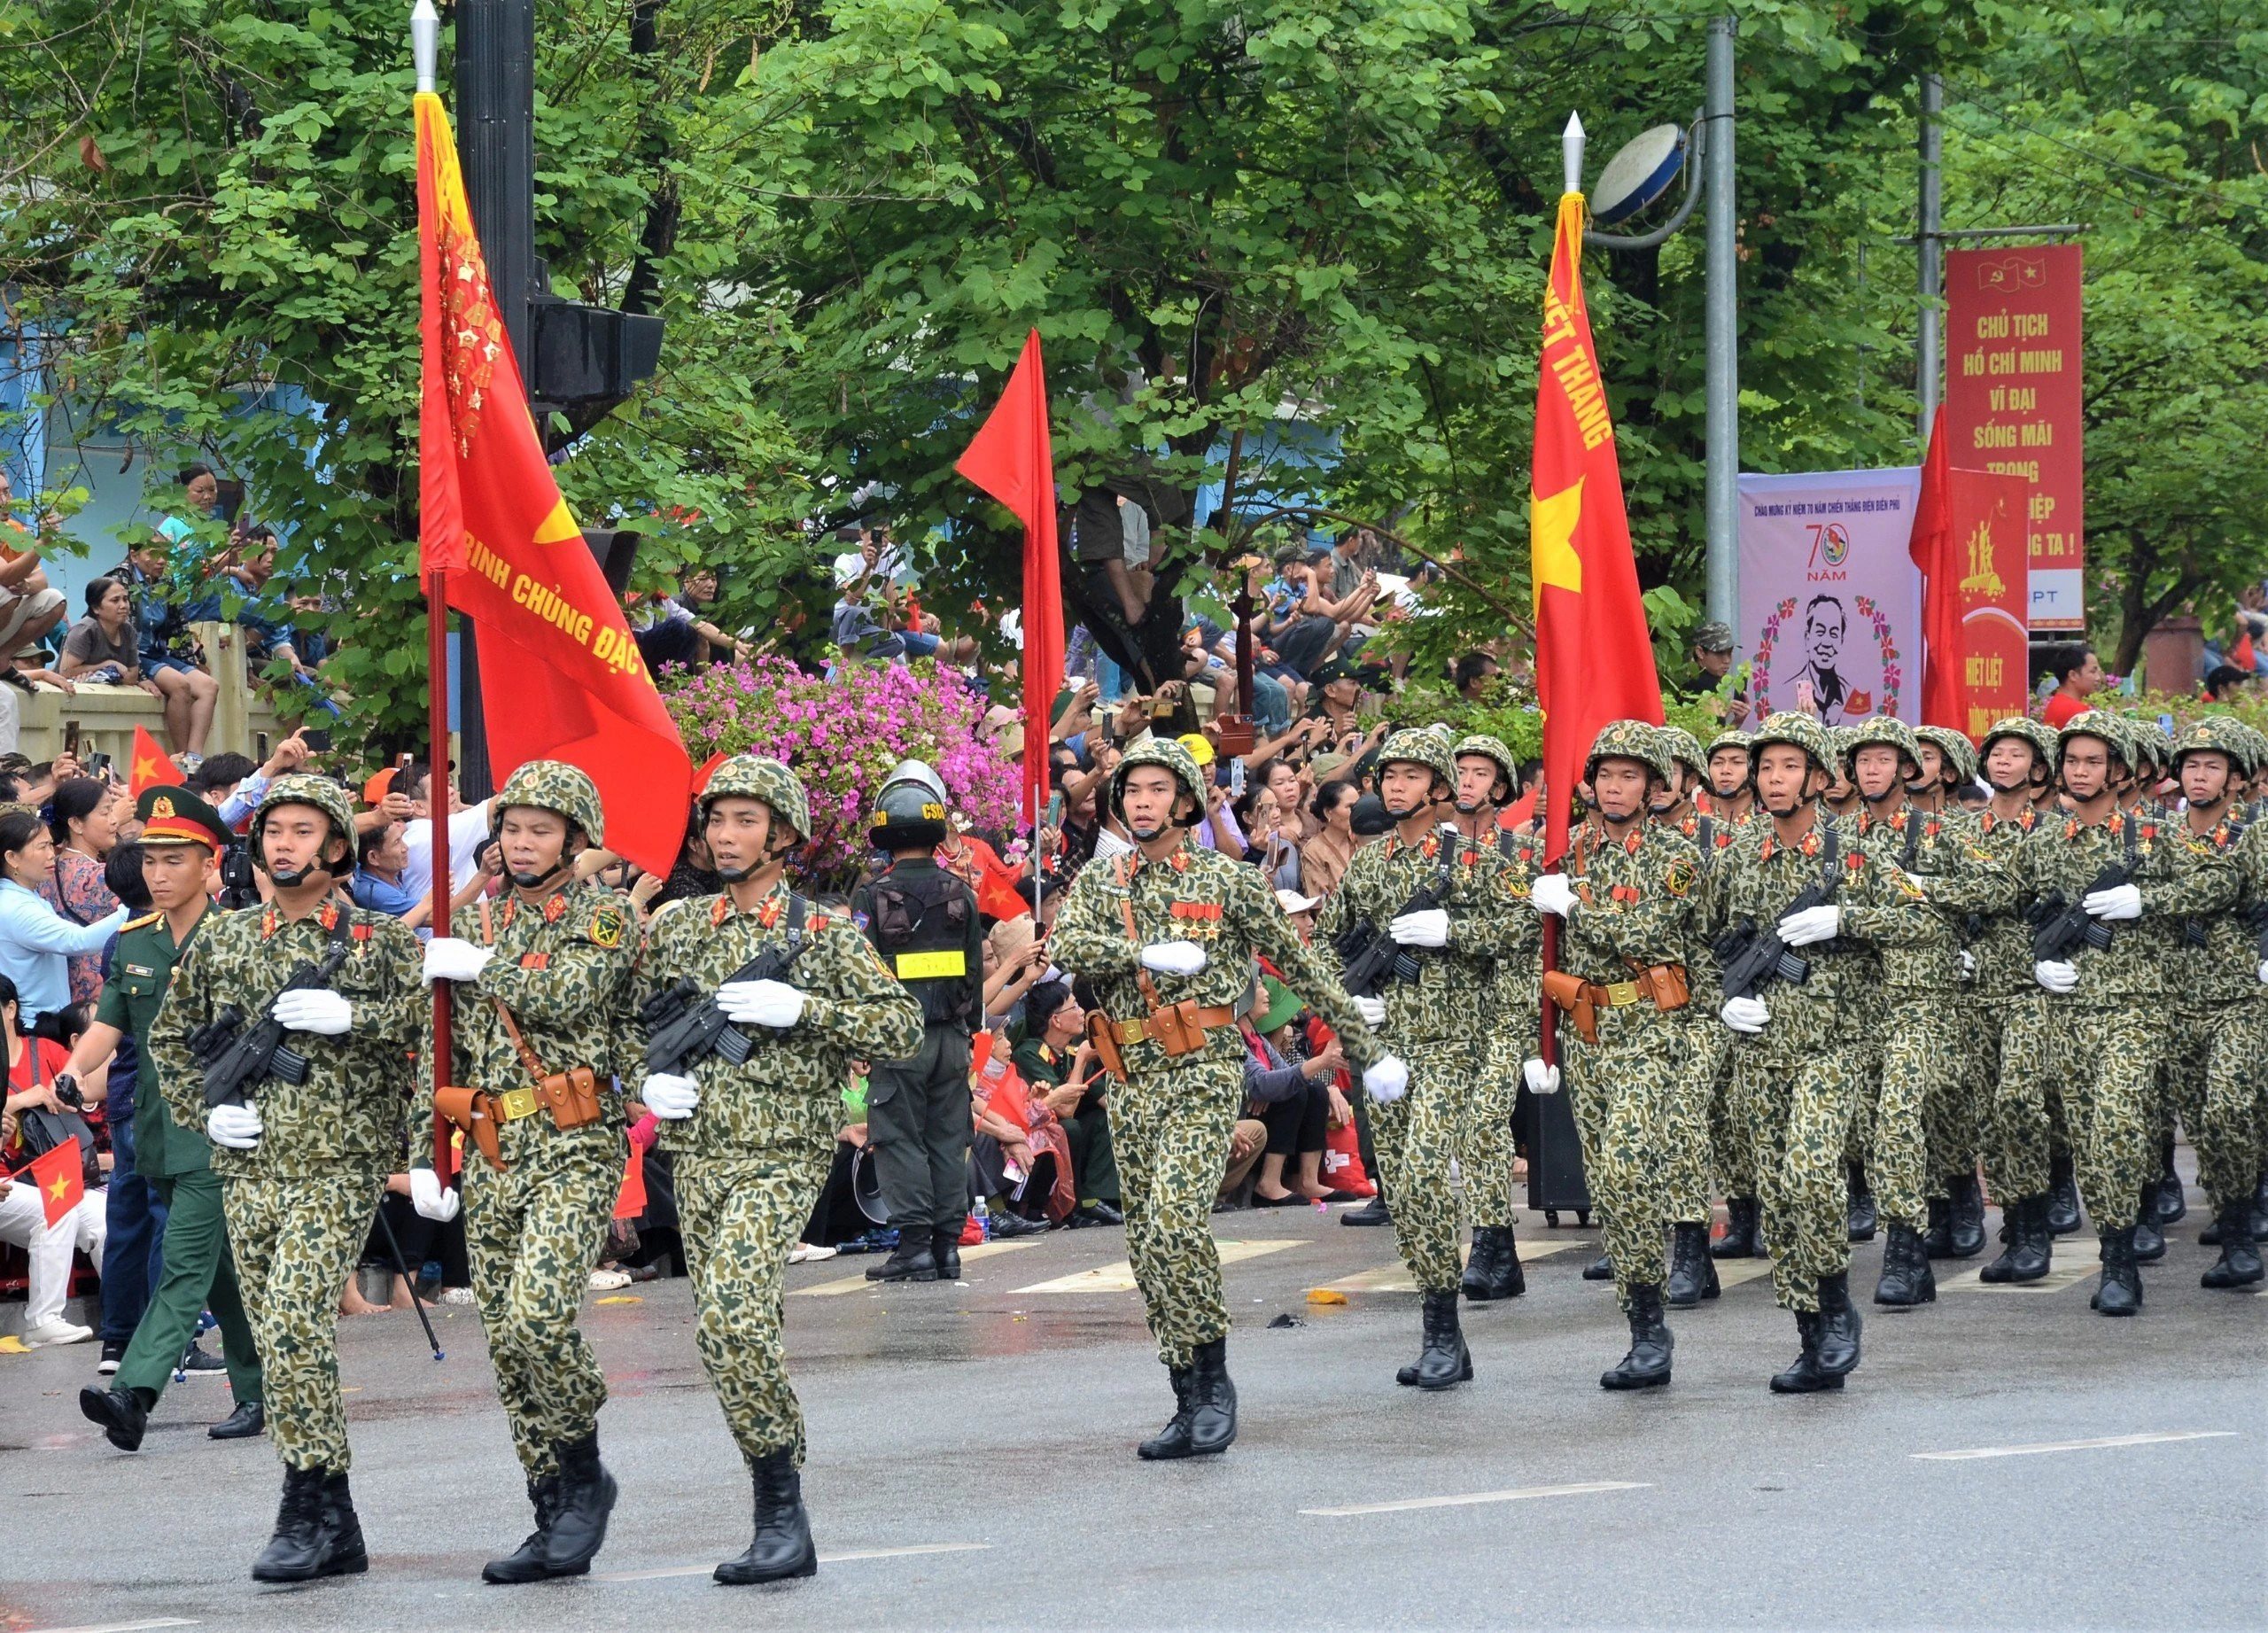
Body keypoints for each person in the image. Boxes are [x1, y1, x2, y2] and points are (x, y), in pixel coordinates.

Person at [1051, 737, 1395, 1458]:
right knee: (1148, 1245)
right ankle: (1183, 1387)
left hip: (1204, 1068)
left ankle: (1213, 1382)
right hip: (1131, 1074)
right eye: (1132, 790)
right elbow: (1073, 946)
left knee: (1177, 1221)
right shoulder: (1101, 880)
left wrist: (1369, 1050)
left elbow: (1300, 960)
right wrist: (1137, 953)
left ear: (1184, 802)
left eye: (1157, 790)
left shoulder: (1229, 881)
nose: (1142, 801)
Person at [633, 757, 923, 1585]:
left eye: (746, 821)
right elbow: (624, 1017)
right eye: (717, 821)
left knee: (730, 1315)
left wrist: (810, 1010)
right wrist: (644, 1079)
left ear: (785, 834)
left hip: (784, 1153)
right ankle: (775, 1486)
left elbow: (903, 1026)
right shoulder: (679, 927)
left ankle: (780, 1510)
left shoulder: (822, 934)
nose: (726, 837)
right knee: (726, 1331)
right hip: (697, 1155)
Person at [148, 774, 425, 1582]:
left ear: (336, 846)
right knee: (277, 1339)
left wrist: (359, 1018)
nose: (283, 844)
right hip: (249, 1165)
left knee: (299, 1318)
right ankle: (336, 1517)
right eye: (274, 830)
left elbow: (431, 1031)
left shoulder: (377, 939)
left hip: (338, 1166)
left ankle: (302, 1501)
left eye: (303, 831)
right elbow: (170, 1040)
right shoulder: (228, 940)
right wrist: (207, 1113)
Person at [411, 761, 639, 1582]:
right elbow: (442, 1050)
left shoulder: (605, 915)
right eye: (511, 827)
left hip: (574, 1140)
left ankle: (584, 1472)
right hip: (491, 1143)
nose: (522, 841)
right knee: (507, 1344)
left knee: (540, 1317)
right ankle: (551, 1508)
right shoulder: (475, 922)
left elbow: (575, 992)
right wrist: (423, 1151)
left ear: (575, 839)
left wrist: (485, 967)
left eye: (541, 829)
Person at [1704, 712, 1952, 1392]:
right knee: (1782, 1197)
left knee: (1813, 1177)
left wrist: (1850, 917)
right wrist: (1723, 999)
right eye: (1765, 767)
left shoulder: (1857, 856)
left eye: (1788, 767)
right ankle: (1811, 1331)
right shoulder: (1734, 859)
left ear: (1818, 778)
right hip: (1760, 1051)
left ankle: (1838, 1306)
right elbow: (1704, 944)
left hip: (1835, 1050)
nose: (1773, 779)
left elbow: (1926, 922)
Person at [2004, 714, 2236, 1315]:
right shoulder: (2041, 842)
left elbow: (2219, 883)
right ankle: (2113, 1242)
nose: (2080, 771)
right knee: (2088, 1137)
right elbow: (2012, 907)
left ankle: (2120, 1261)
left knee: (2113, 1121)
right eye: (2072, 761)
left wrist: (2149, 900)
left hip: (2137, 1011)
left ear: (2119, 770)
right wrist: (2035, 961)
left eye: (2093, 761)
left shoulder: (2152, 837)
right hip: (2068, 1013)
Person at [1314, 729, 1520, 1392]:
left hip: (1454, 1044)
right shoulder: (1370, 866)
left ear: (1437, 787)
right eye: (1388, 776)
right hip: (1387, 1051)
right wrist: (1351, 1004)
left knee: (1430, 1173)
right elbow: (1325, 939)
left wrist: (1456, 931)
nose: (1395, 786)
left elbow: (1524, 929)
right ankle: (1442, 1328)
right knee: (1403, 1188)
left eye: (1410, 775)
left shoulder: (1473, 858)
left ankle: (1441, 1324)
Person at [74, 787, 266, 1448]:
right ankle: (260, 1387)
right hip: (153, 1130)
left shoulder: (240, 940)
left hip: (222, 1134)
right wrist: (73, 1077)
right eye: (150, 860)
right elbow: (108, 1029)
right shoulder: (133, 942)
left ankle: (134, 1391)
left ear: (209, 864)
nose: (157, 874)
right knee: (221, 1274)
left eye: (173, 860)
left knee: (183, 1264)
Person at [1526, 723, 1705, 1388]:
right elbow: (1535, 950)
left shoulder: (1678, 856)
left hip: (1651, 1029)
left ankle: (1653, 1323)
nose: (1616, 786)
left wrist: (1576, 904)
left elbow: (1651, 928)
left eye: (1630, 776)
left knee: (1629, 1167)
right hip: (1586, 1029)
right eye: (1606, 775)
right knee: (1609, 1187)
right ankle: (1644, 1325)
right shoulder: (1563, 850)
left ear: (1655, 786)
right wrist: (1535, 1041)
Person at [851, 761, 983, 1283]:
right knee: (949, 1139)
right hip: (952, 1039)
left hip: (897, 1042)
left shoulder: (871, 897)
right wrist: (966, 1035)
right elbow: (974, 970)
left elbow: (861, 973)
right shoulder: (962, 893)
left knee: (900, 1139)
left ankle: (913, 1249)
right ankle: (948, 1247)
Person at [2161, 719, 2264, 1288]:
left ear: (2235, 779)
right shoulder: (2158, 835)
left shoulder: (2254, 835)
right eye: (2191, 766)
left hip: (2239, 997)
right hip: (2176, 1000)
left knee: (2230, 1110)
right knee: (2204, 1125)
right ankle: (2232, 1225)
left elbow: (2233, 892)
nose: (2199, 777)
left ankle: (2243, 1235)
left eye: (2213, 767)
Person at [1446, 733, 1538, 1300]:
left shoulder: (1517, 851)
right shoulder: (1432, 851)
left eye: (1480, 773)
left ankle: (1486, 1242)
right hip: (1449, 1012)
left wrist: (1454, 933)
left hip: (1508, 1007)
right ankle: (1499, 1248)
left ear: (1500, 787)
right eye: (1460, 770)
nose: (1467, 780)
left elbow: (1523, 926)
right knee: (1467, 1131)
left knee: (1482, 1124)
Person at [0, 971, 109, 1346]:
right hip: (11, 1182)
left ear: (11, 1009)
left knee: (106, 1220)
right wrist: (19, 1100)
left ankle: (128, 1322)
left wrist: (119, 1035)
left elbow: (89, 1084)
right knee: (55, 1209)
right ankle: (42, 1320)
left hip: (52, 1174)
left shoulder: (44, 1052)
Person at [0, 807, 131, 1031]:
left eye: (51, 844)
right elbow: (78, 940)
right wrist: (133, 910)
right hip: (32, 1024)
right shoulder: (13, 907)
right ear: (12, 858)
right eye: (41, 847)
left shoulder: (26, 895)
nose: (51, 854)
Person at [1011, 980, 1122, 1225]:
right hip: (1036, 1134)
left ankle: (1096, 1199)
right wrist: (1082, 1060)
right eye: (1074, 1007)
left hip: (1068, 1133)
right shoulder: (1031, 1053)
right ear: (1056, 1020)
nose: (1082, 1012)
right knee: (1068, 1128)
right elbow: (1065, 1111)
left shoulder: (1071, 1051)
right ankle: (1066, 1207)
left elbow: (1104, 1099)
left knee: (1103, 1119)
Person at [39, 776, 124, 1007]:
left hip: (64, 992)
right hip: (101, 994)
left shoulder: (44, 871)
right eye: (105, 813)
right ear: (76, 824)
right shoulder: (101, 875)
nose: (115, 820)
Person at [2040, 642, 2104, 729]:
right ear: (2073, 675)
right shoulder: (2079, 712)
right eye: (2093, 671)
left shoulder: (2054, 704)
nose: (2098, 678)